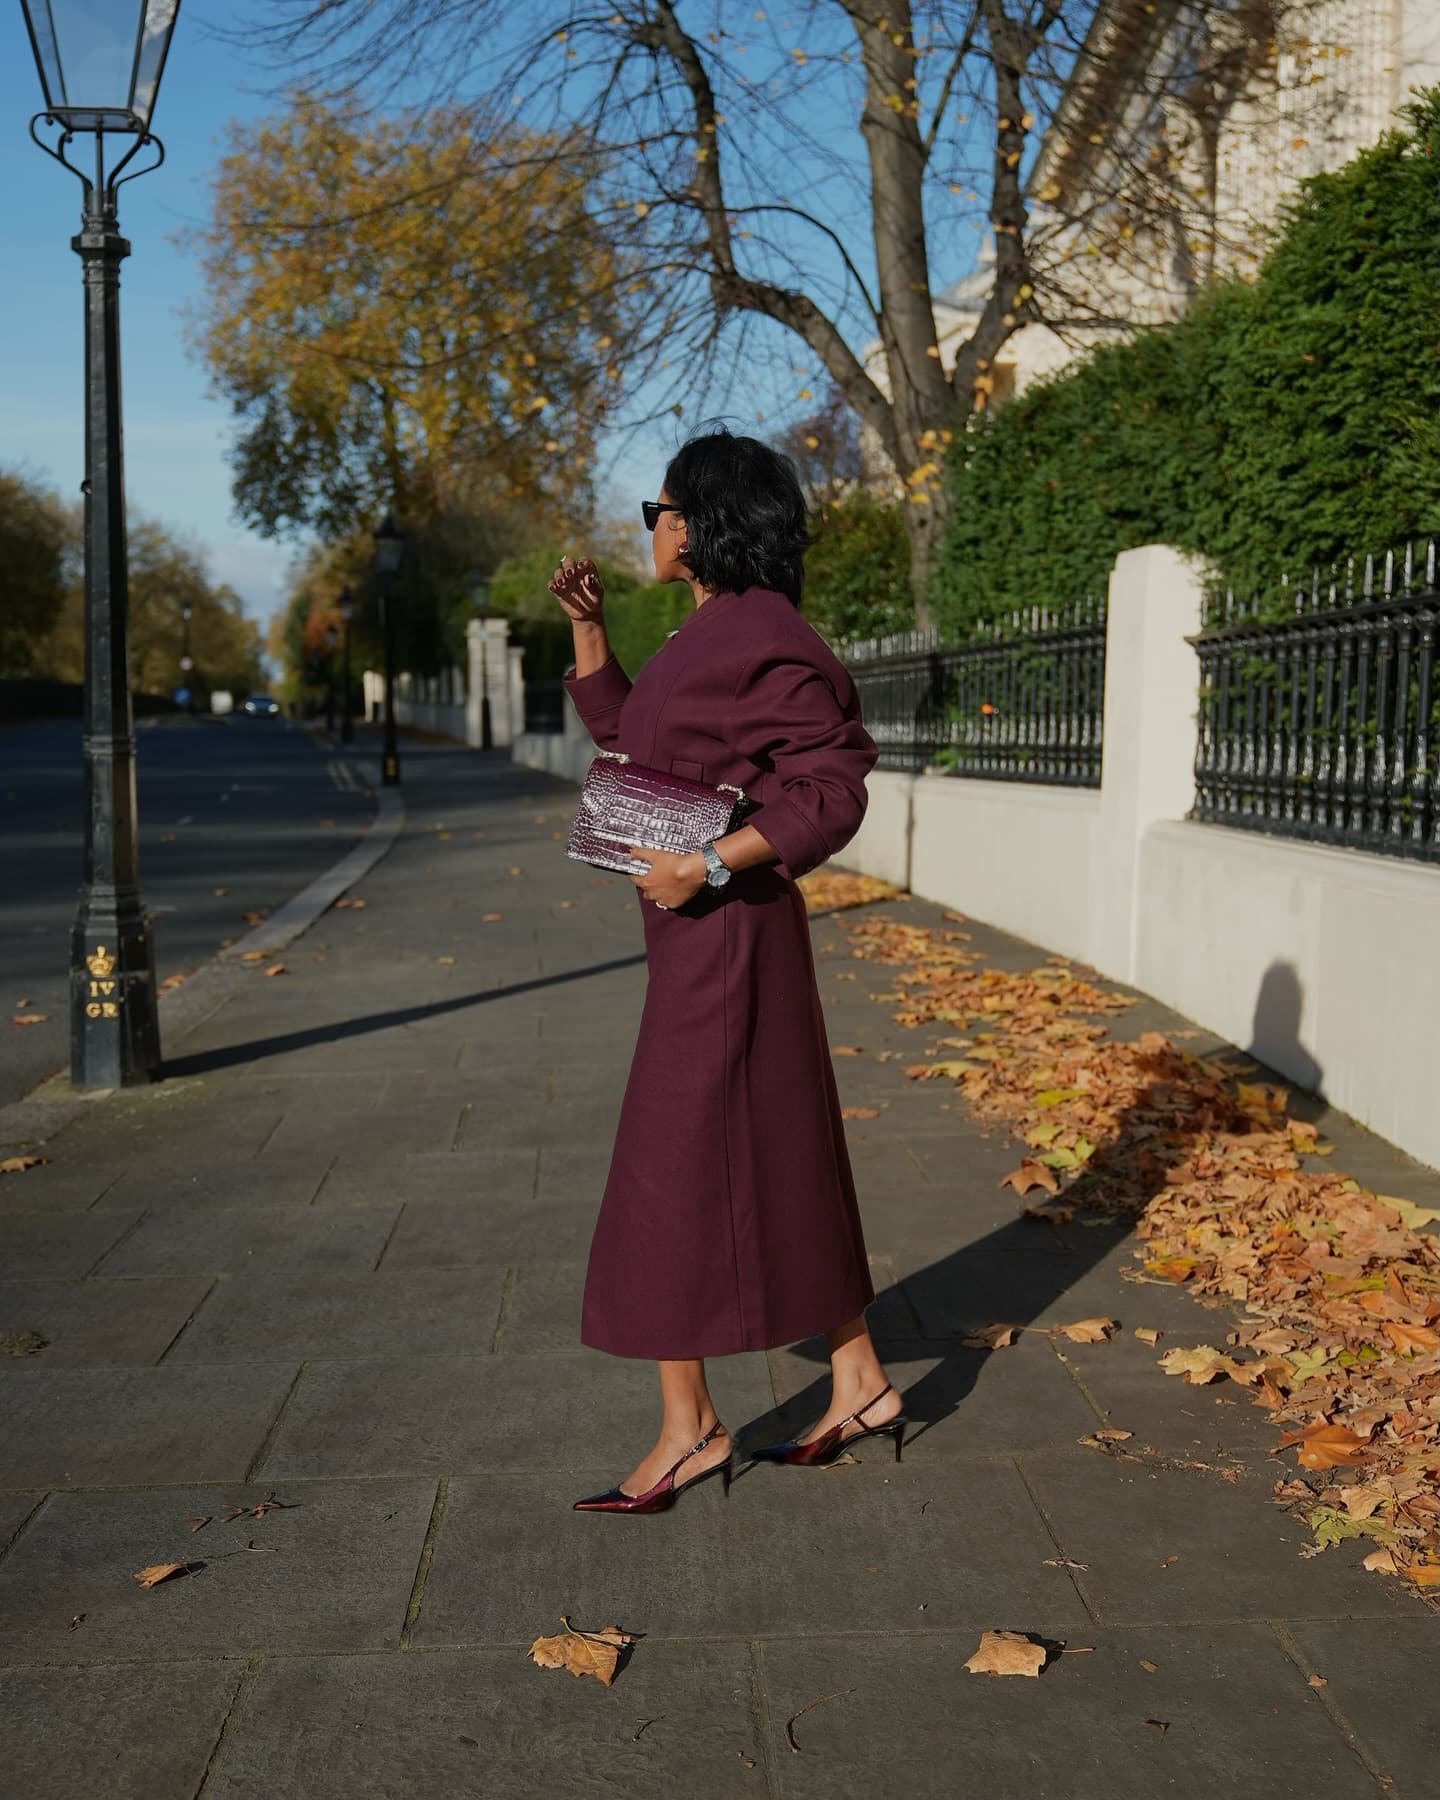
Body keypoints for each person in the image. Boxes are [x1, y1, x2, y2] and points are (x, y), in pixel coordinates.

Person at [548, 428, 906, 1515]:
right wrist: (590, 629)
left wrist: (708, 860)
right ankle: (857, 1380)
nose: (648, 527)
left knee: (671, 1170)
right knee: (776, 1152)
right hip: (706, 941)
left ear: (703, 519)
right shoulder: (712, 631)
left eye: (658, 508)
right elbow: (642, 743)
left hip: (730, 935)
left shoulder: (766, 635)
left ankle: (687, 1430)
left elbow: (833, 786)